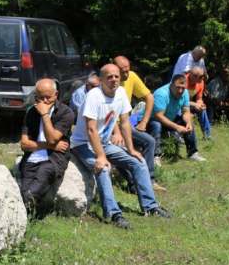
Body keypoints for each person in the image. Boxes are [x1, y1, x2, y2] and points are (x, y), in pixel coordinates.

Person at [70, 64, 174, 231]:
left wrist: (131, 150)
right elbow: (90, 130)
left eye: (116, 76)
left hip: (104, 142)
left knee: (138, 162)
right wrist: (101, 156)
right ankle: (114, 214)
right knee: (103, 169)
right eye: (109, 77)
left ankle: (150, 207)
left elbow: (125, 123)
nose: (114, 80)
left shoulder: (120, 94)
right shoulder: (93, 96)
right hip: (83, 144)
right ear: (101, 80)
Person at [113, 55, 166, 192]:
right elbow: (108, 113)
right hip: (110, 126)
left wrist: (144, 122)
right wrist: (116, 133)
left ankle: (149, 180)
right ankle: (133, 184)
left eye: (127, 70)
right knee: (117, 148)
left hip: (125, 123)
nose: (125, 74)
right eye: (122, 72)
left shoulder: (131, 76)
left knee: (149, 141)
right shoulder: (109, 81)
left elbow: (150, 97)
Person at [20, 78, 74, 213]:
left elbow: (52, 138)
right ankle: (26, 217)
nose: (44, 101)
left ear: (56, 94)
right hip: (31, 159)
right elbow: (25, 145)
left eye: (48, 97)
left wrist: (44, 114)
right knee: (24, 193)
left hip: (53, 160)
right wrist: (49, 146)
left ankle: (24, 217)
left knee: (30, 194)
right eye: (40, 97)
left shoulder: (65, 112)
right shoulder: (31, 112)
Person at [138, 74, 208, 162]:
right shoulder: (162, 93)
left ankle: (192, 153)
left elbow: (186, 112)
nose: (180, 90)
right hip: (150, 119)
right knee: (156, 125)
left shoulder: (185, 93)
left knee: (187, 123)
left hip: (169, 118)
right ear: (171, 85)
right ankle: (155, 157)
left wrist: (189, 123)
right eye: (178, 87)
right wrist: (176, 127)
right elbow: (158, 116)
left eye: (183, 88)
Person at [185, 66, 212, 140]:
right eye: (201, 77)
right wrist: (195, 104)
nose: (203, 78)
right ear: (192, 77)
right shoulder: (183, 81)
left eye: (203, 76)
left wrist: (201, 105)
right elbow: (179, 101)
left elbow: (198, 98)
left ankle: (207, 134)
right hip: (178, 105)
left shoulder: (200, 82)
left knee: (202, 110)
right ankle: (176, 135)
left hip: (188, 105)